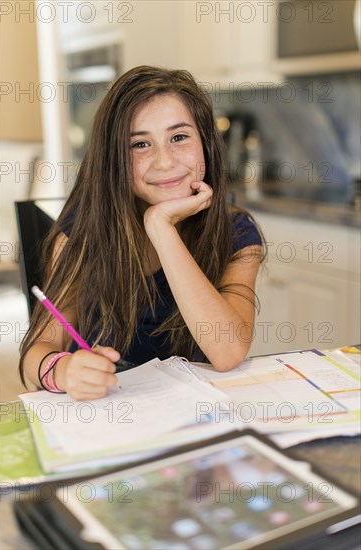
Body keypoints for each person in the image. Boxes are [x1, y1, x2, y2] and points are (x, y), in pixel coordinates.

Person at [19, 66, 264, 400]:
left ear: (206, 143)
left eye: (179, 137)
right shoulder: (82, 235)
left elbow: (227, 351)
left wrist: (161, 228)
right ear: (114, 158)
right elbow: (36, 352)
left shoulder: (236, 234)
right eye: (140, 144)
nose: (164, 161)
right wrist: (61, 370)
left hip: (201, 412)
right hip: (115, 413)